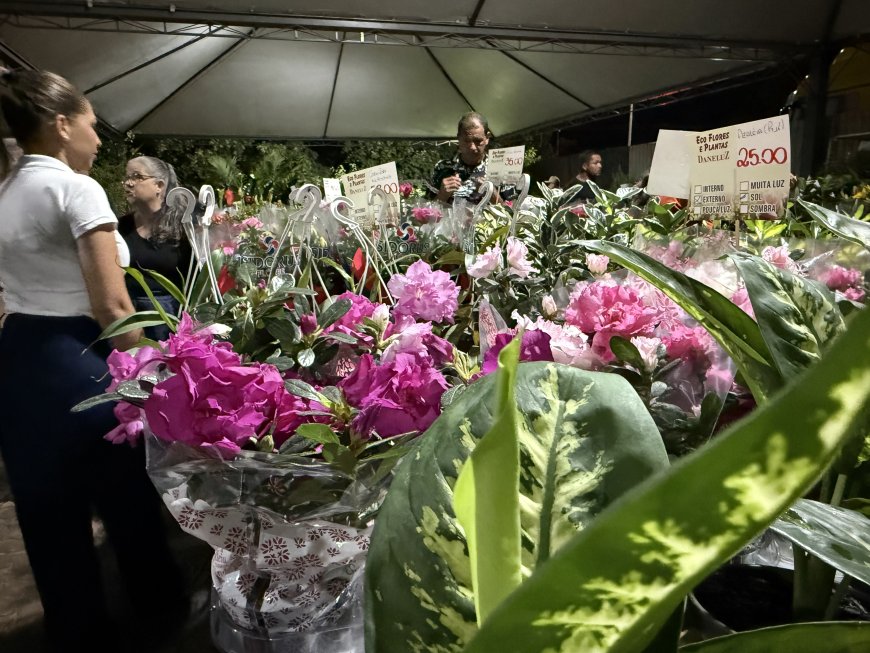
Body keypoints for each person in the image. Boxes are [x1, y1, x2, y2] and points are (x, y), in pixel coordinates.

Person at [0, 69, 186, 652]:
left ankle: (77, 632)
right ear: (62, 125)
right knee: (126, 498)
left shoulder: (5, 191)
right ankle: (159, 611)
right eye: (90, 123)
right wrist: (153, 376)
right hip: (83, 354)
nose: (99, 138)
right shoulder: (76, 189)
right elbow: (112, 304)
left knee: (46, 512)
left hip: (20, 359)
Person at [119, 155, 191, 341]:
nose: (128, 183)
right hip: (127, 318)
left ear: (159, 185)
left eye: (137, 176)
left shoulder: (184, 229)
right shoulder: (120, 227)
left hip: (168, 323)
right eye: (127, 177)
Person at [430, 111, 514, 205]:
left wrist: (492, 194)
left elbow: (514, 211)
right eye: (466, 141)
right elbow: (424, 210)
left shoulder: (501, 169)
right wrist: (442, 195)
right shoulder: (442, 168)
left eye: (478, 141)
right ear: (458, 138)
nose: (472, 147)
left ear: (487, 138)